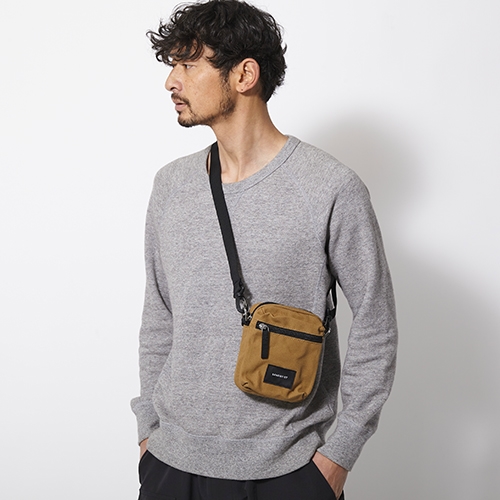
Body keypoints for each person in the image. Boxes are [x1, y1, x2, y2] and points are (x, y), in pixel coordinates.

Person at [131, 1, 398, 499]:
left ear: (244, 75)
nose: (171, 81)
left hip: (286, 469)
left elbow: (376, 324)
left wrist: (338, 456)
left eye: (187, 64)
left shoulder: (330, 187)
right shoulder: (171, 186)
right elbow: (159, 317)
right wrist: (148, 430)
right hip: (171, 463)